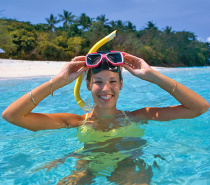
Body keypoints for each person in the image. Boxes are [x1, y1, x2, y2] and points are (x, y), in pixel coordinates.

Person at [2, 51, 209, 184]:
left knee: (134, 177)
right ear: (87, 85)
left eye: (112, 81)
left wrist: (151, 75)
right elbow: (11, 115)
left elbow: (199, 107)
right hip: (86, 166)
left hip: (129, 165)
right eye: (98, 81)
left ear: (120, 84)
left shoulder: (140, 116)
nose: (105, 89)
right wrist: (57, 81)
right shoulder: (73, 122)